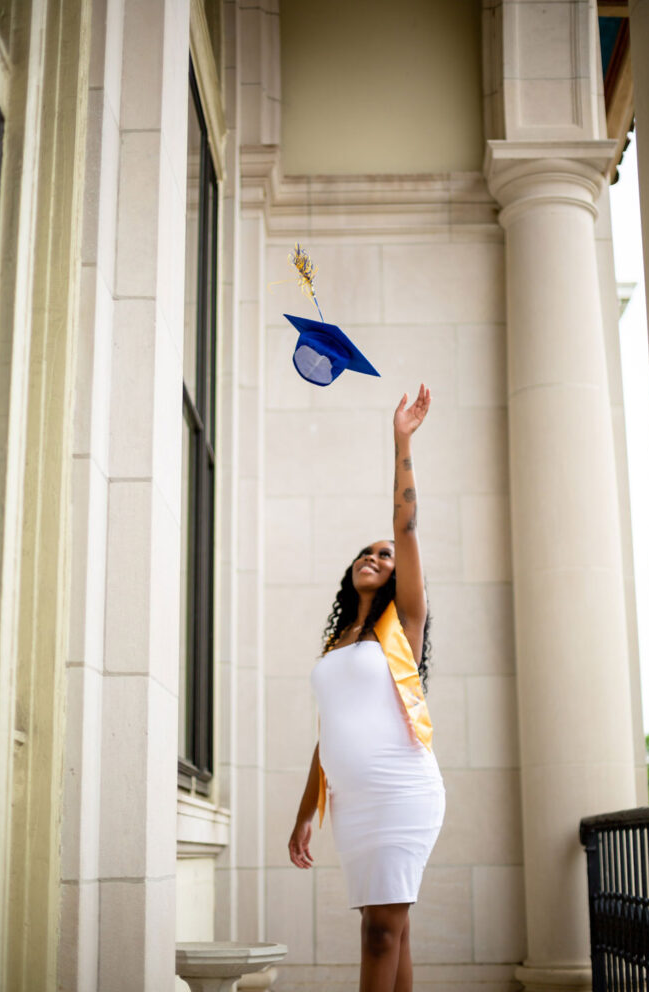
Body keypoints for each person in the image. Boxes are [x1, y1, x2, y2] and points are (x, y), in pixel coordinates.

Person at [288, 384, 446, 992]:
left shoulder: (401, 626)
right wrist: (306, 813)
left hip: (401, 789)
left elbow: (405, 524)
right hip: (352, 803)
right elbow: (329, 736)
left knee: (381, 931)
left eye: (386, 554)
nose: (375, 555)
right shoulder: (339, 644)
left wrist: (402, 439)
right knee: (389, 932)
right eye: (366, 552)